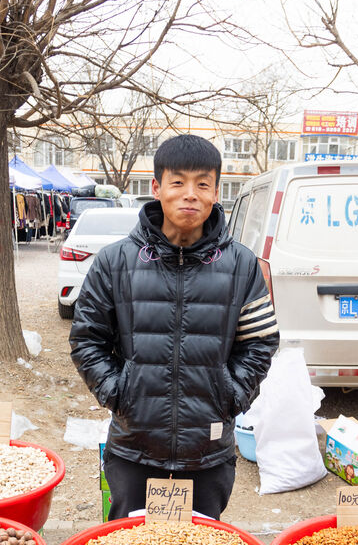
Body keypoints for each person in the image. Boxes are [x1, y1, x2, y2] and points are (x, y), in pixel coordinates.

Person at [70, 135, 279, 521]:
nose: (190, 194)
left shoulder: (242, 265)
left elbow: (261, 342)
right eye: (178, 182)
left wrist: (231, 395)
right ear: (157, 188)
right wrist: (119, 393)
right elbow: (87, 340)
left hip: (208, 450)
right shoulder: (115, 262)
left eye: (203, 184)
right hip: (134, 446)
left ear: (216, 192)